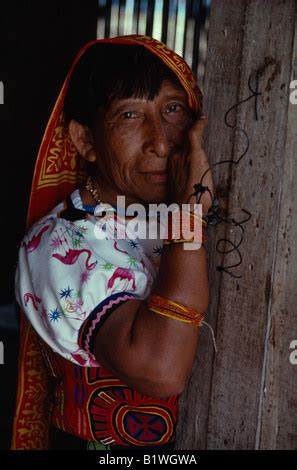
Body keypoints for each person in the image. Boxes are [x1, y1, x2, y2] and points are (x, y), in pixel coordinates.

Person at [12, 35, 214, 450]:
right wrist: (190, 216)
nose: (161, 140)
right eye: (129, 115)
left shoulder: (176, 207)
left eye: (173, 109)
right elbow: (161, 369)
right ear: (85, 140)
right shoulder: (62, 243)